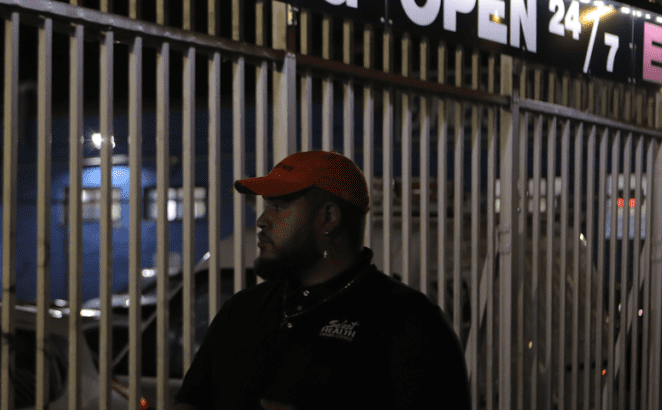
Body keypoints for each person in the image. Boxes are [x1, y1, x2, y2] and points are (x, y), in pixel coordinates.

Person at [172, 150, 470, 410]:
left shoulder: (409, 323)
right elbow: (191, 401)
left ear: (328, 217)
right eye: (266, 207)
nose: (263, 220)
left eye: (279, 206)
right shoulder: (241, 311)